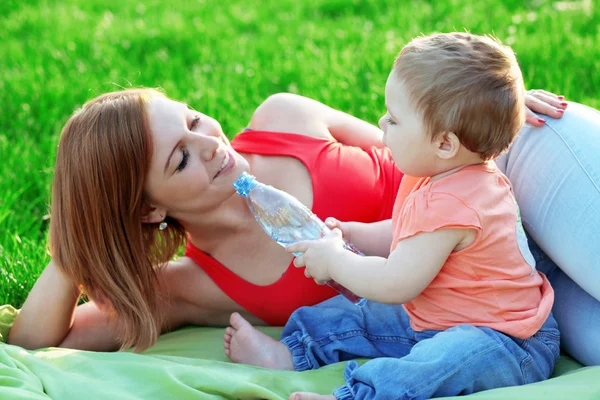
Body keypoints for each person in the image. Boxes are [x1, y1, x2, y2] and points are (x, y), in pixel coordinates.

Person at [6, 50, 598, 368]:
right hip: (502, 301)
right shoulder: (194, 287)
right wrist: (74, 248)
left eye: (191, 119)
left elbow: (423, 138)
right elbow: (36, 344)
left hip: (516, 183)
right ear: (145, 211)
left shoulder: (285, 120)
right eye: (179, 159)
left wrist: (501, 108)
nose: (211, 143)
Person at [222, 33, 560, 400]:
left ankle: (357, 396)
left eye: (394, 120)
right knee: (362, 314)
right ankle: (290, 352)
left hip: (507, 341)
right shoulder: (435, 174)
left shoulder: (458, 202)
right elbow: (406, 236)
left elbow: (395, 283)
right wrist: (356, 233)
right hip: (440, 316)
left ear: (444, 144)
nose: (382, 124)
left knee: (437, 362)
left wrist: (337, 261)